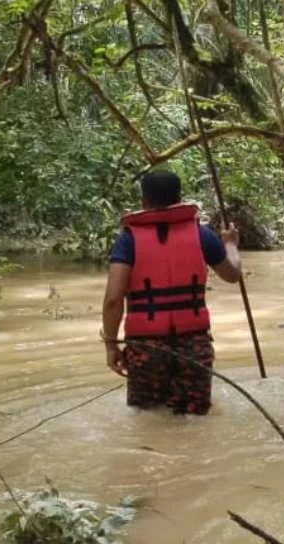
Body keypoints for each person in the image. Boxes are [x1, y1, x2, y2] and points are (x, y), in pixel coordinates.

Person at [101, 170, 242, 415]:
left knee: (146, 418)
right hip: (193, 344)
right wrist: (230, 244)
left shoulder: (128, 240)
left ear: (143, 201)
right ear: (179, 199)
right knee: (194, 418)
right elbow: (232, 274)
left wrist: (111, 346)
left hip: (146, 348)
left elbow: (113, 299)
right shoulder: (201, 235)